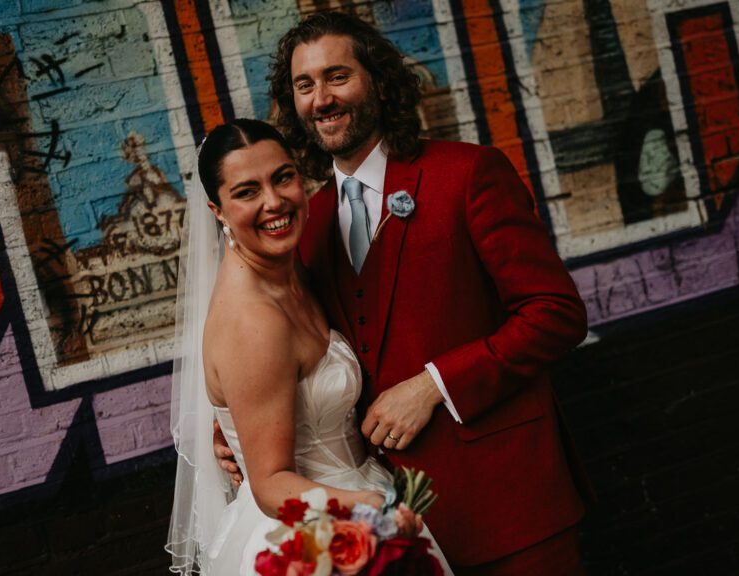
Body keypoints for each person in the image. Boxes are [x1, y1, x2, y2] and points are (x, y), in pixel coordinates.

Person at [263, 11, 592, 575]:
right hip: (390, 532)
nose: (322, 98)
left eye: (337, 76)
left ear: (378, 81)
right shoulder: (308, 226)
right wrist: (242, 438)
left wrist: (434, 384)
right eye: (305, 84)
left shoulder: (467, 174)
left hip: (511, 508)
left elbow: (556, 314)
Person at [165, 118, 453, 575]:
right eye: (246, 192)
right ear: (216, 210)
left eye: (282, 177)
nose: (273, 201)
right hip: (314, 536)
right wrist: (370, 509)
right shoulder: (254, 321)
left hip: (358, 489)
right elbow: (270, 483)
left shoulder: (287, 267)